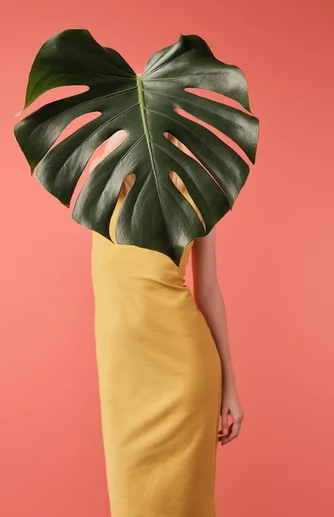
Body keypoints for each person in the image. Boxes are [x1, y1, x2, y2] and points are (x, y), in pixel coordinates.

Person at [89, 129, 244, 517]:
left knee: (185, 504)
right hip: (124, 379)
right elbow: (114, 133)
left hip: (184, 373)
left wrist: (230, 387)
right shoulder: (107, 180)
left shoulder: (197, 192)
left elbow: (207, 290)